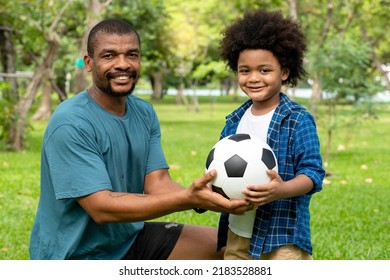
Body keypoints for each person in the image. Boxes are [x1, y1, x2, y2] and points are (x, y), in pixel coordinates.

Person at [29, 19, 252, 260]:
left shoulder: (143, 112)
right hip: (75, 256)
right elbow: (101, 208)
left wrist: (207, 198)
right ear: (89, 63)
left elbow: (156, 183)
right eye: (109, 56)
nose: (122, 64)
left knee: (229, 249)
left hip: (128, 239)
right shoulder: (71, 122)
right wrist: (188, 199)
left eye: (131, 55)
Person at [216, 10, 326, 260]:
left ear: (284, 72)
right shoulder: (234, 121)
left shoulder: (298, 119)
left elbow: (313, 173)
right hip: (237, 232)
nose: (253, 78)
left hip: (281, 237)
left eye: (264, 70)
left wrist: (280, 190)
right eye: (245, 71)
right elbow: (219, 169)